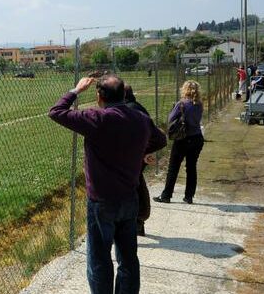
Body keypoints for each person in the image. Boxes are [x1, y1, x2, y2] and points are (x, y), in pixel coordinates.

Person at [49, 75, 166, 294]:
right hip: (129, 198)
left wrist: (75, 90)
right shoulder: (140, 118)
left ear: (99, 96)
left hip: (101, 201)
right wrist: (141, 152)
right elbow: (161, 139)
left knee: (100, 259)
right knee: (128, 258)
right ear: (124, 94)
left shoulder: (97, 119)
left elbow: (56, 112)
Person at [154, 80, 204, 205]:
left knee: (173, 168)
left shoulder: (181, 104)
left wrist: (174, 110)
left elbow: (170, 118)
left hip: (182, 138)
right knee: (191, 168)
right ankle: (189, 196)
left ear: (184, 90)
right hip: (197, 137)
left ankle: (166, 195)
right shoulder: (199, 104)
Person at [123, 84, 156, 237]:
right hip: (138, 155)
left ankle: (135, 222)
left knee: (132, 188)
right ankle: (138, 223)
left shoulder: (130, 110)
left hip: (134, 157)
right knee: (136, 185)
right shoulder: (136, 107)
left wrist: (143, 153)